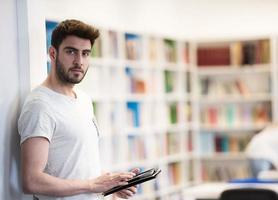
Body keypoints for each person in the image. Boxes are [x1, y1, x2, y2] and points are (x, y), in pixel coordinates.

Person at [18, 19, 139, 200]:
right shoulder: (39, 106)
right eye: (71, 52)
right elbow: (31, 180)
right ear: (53, 53)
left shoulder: (83, 100)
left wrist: (111, 185)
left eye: (85, 53)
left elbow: (78, 166)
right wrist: (92, 185)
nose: (79, 61)